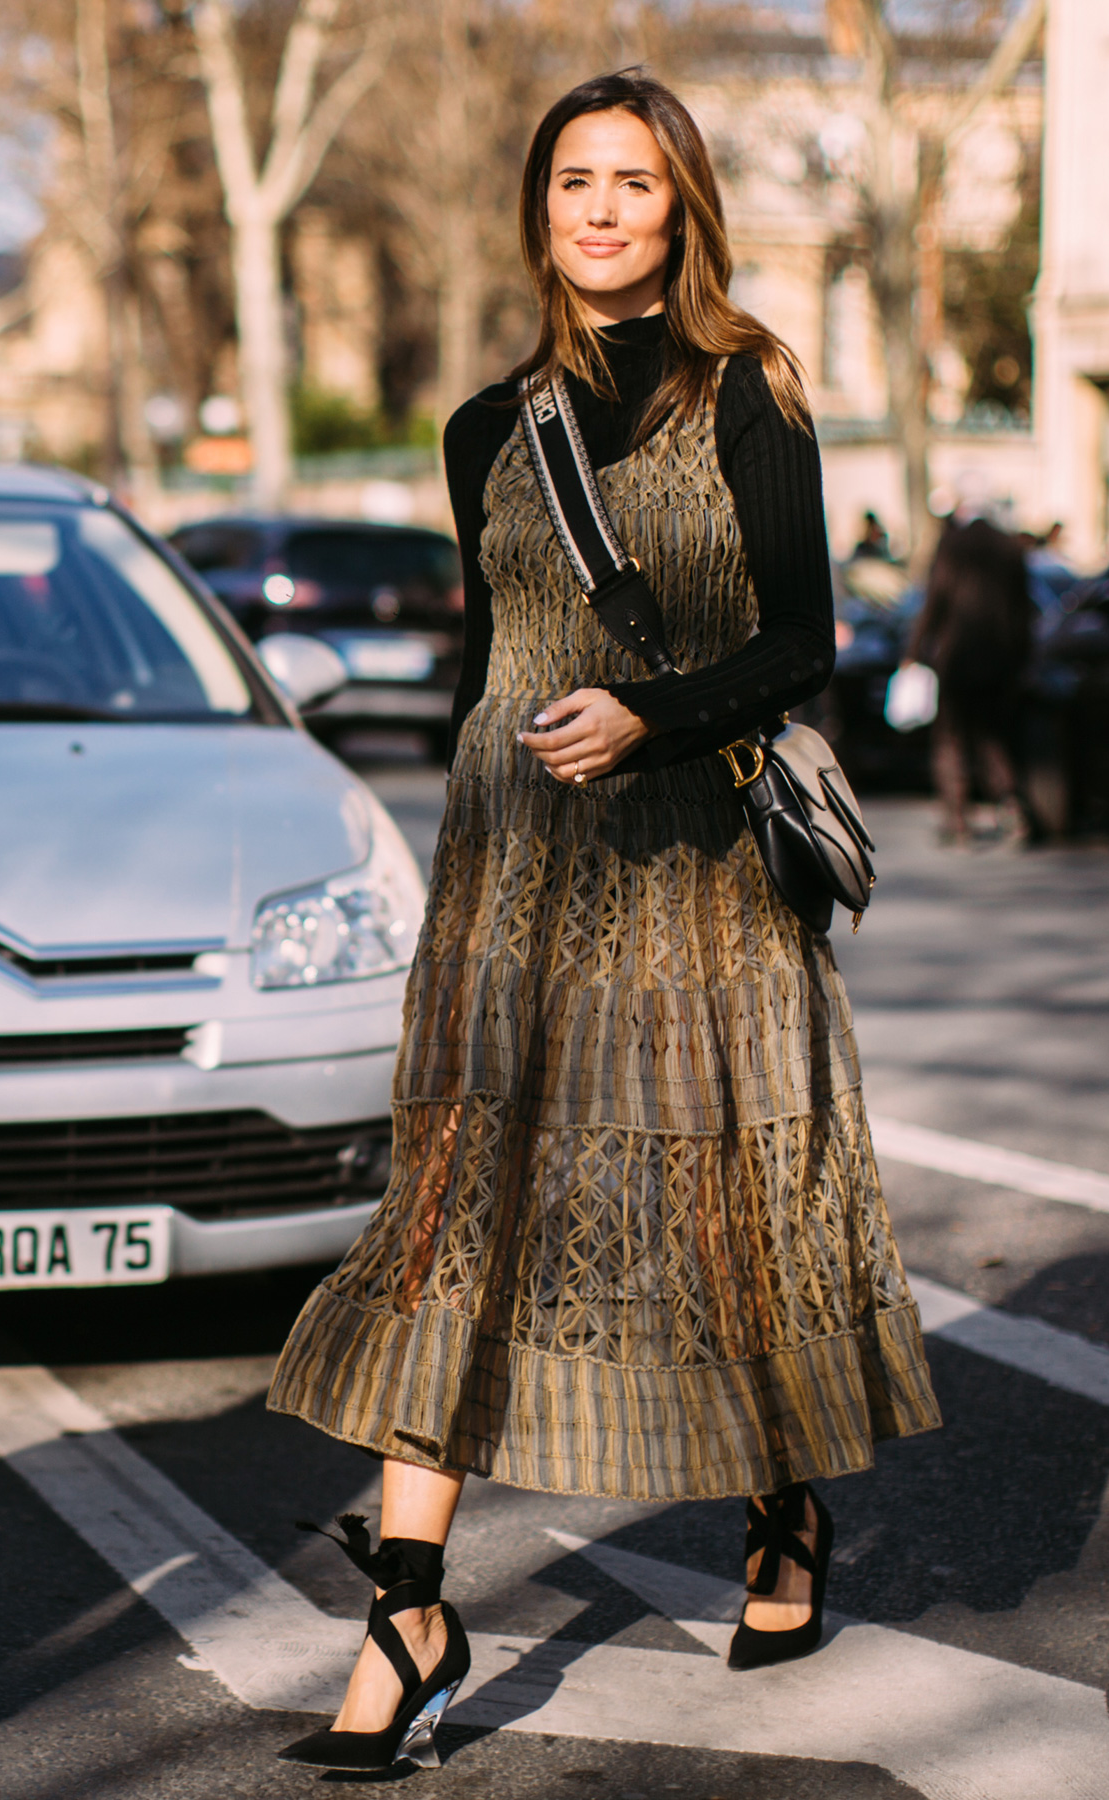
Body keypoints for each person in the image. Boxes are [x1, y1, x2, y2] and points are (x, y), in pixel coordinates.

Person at [265, 69, 940, 1772]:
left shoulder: (751, 390)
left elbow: (807, 647)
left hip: (695, 880)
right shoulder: (488, 429)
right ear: (541, 205)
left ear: (681, 205)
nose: (601, 208)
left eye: (635, 181)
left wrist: (656, 715)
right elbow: (501, 664)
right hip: (514, 876)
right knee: (466, 1212)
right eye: (576, 178)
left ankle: (781, 1503)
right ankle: (408, 1603)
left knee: (714, 1212)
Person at [909, 514, 1035, 845]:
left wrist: (913, 651)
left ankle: (958, 821)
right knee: (992, 737)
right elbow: (1023, 610)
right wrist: (1023, 659)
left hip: (957, 660)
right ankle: (1013, 807)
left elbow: (935, 600)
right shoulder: (1010, 547)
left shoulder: (954, 546)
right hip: (1000, 660)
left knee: (950, 740)